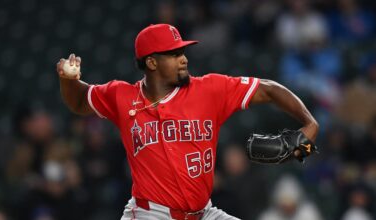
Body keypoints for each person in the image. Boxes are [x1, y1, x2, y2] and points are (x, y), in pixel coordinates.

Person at [56, 24, 319, 220]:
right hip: (151, 215)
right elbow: (79, 102)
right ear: (151, 62)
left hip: (204, 213)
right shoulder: (121, 96)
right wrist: (69, 80)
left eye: (182, 51)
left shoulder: (209, 89)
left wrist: (310, 124)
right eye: (173, 53)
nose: (183, 58)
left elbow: (269, 89)